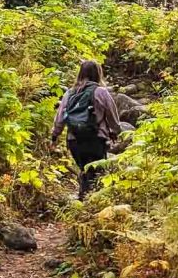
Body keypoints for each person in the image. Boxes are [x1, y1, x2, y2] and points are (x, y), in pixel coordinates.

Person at [51, 59, 124, 199]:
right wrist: (116, 132)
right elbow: (113, 117)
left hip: (74, 140)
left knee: (84, 168)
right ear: (98, 74)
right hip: (95, 139)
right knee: (95, 171)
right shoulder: (101, 92)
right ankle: (88, 201)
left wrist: (54, 136)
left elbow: (59, 118)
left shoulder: (69, 93)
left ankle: (82, 198)